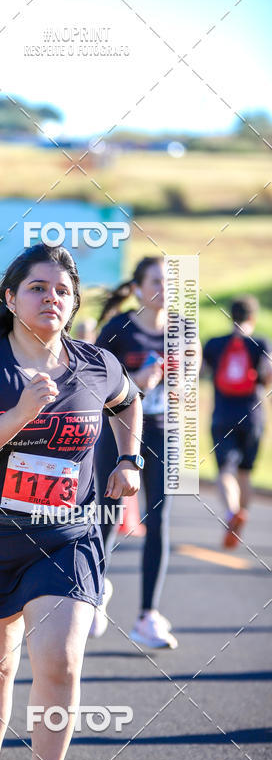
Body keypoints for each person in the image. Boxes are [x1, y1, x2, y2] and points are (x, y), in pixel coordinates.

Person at [0, 243, 142, 760]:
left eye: (61, 290)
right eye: (37, 287)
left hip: (66, 535)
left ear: (74, 303)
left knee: (59, 661)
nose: (50, 297)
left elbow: (130, 404)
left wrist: (130, 461)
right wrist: (20, 414)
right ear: (10, 298)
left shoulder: (97, 365)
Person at [93, 256, 194, 650]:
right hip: (118, 434)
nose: (164, 288)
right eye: (155, 280)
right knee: (109, 513)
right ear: (137, 287)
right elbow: (95, 385)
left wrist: (178, 381)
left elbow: (188, 388)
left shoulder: (184, 330)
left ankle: (148, 616)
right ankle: (96, 592)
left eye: (169, 281)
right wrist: (137, 383)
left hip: (165, 435)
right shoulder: (119, 329)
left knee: (160, 519)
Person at [202, 296, 272, 548]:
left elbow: (200, 372)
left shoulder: (215, 344)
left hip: (222, 415)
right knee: (245, 472)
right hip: (252, 416)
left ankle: (232, 513)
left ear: (230, 316)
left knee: (225, 471)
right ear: (253, 317)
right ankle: (241, 517)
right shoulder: (261, 342)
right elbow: (267, 376)